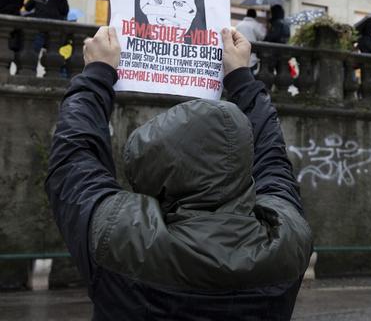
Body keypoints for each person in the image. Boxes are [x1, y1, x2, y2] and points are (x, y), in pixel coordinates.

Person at [45, 26, 313, 320]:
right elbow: (273, 161)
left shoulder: (119, 236)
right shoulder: (287, 238)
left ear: (150, 172)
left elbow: (74, 159)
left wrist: (96, 74)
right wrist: (242, 79)